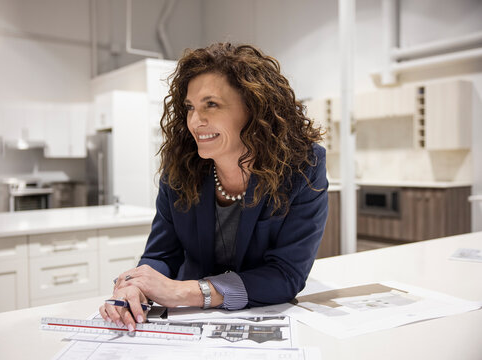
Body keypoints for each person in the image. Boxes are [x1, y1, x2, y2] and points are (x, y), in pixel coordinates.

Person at [99, 43, 328, 331]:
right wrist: (138, 286)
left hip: (266, 317)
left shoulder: (302, 167)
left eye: (212, 104)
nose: (195, 121)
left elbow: (286, 275)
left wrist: (183, 292)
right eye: (190, 107)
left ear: (254, 108)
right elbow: (161, 255)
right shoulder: (181, 166)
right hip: (192, 321)